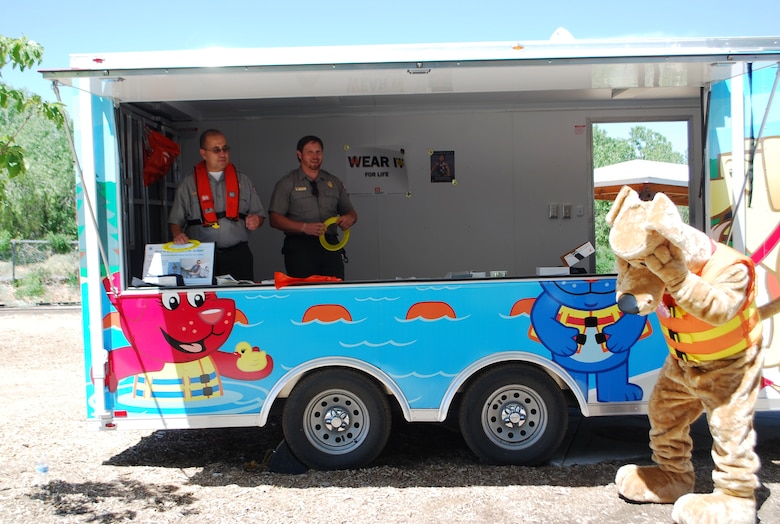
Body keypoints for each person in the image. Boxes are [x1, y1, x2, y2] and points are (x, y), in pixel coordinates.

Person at [168, 129, 265, 281]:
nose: (222, 154)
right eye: (216, 150)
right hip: (200, 257)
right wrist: (177, 234)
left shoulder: (243, 181)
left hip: (237, 255)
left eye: (225, 149)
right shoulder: (189, 183)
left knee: (239, 299)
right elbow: (175, 221)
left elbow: (260, 214)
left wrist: (257, 220)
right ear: (203, 153)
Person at [269, 135, 357, 279]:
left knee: (335, 290)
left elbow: (351, 212)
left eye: (318, 152)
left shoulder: (333, 182)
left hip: (330, 244)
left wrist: (349, 218)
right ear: (299, 154)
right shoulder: (287, 183)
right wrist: (304, 227)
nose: (315, 156)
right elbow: (274, 219)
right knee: (305, 294)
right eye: (310, 152)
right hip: (300, 247)